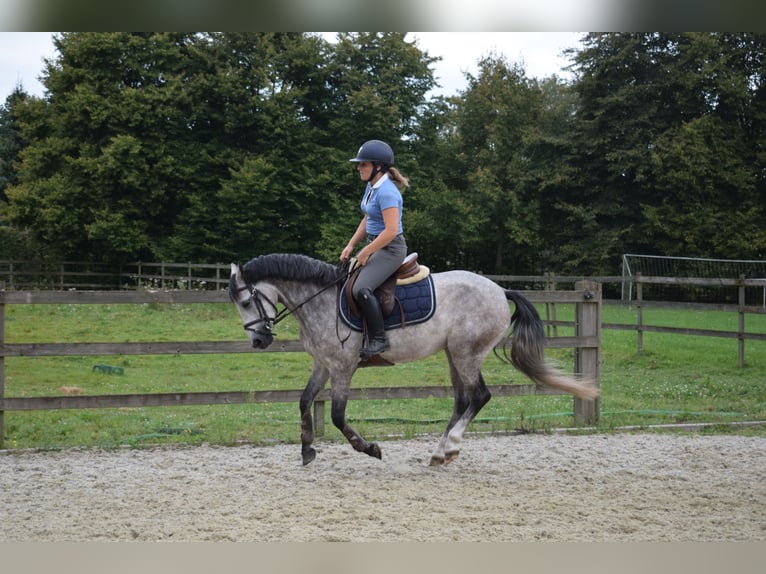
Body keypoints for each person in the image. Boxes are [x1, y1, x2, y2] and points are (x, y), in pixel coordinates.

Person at [341, 139, 409, 359]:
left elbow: (390, 231)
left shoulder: (387, 192)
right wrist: (352, 244)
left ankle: (379, 339)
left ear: (378, 167)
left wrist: (366, 251)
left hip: (391, 249)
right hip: (378, 245)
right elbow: (368, 218)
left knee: (361, 288)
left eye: (364, 164)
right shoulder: (371, 187)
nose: (358, 168)